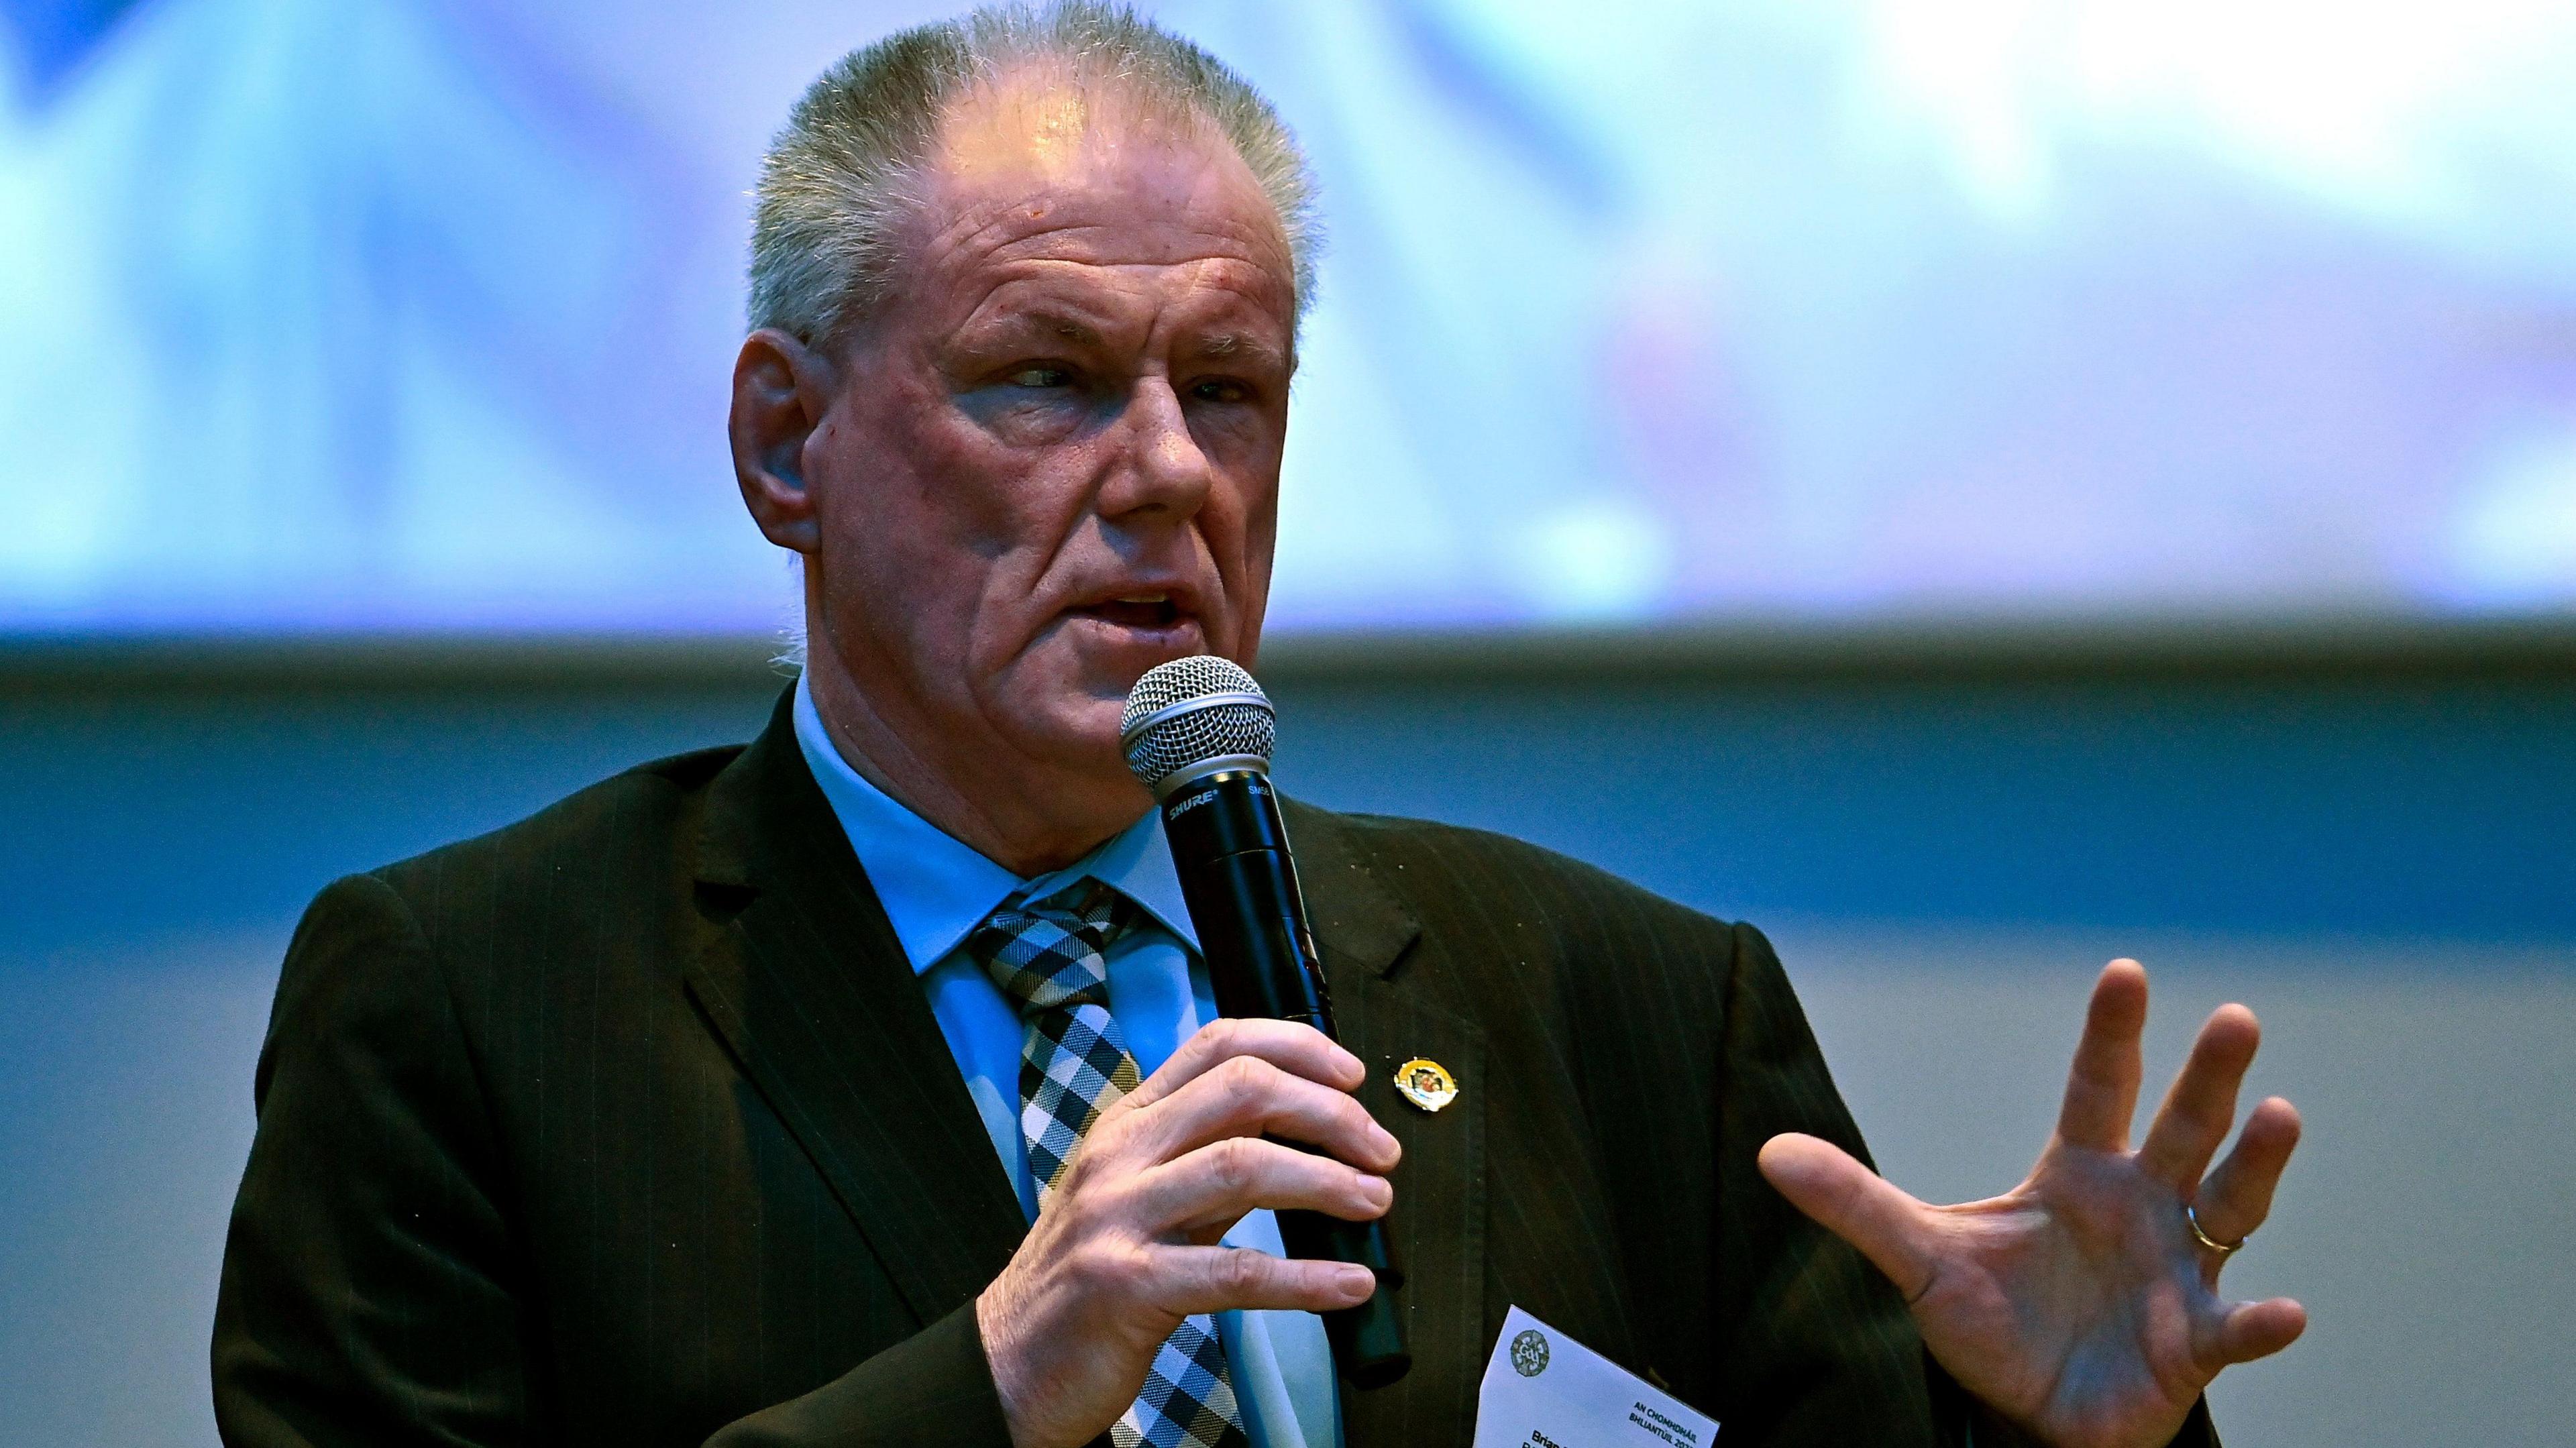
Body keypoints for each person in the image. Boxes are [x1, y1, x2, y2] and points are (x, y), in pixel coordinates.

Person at [211, 7, 2304, 1447]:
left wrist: (2056, 1443)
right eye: (1041, 375)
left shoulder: (1628, 1009)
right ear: (788, 442)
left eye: (1227, 391)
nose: (1164, 476)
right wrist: (1003, 1377)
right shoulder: (474, 1010)